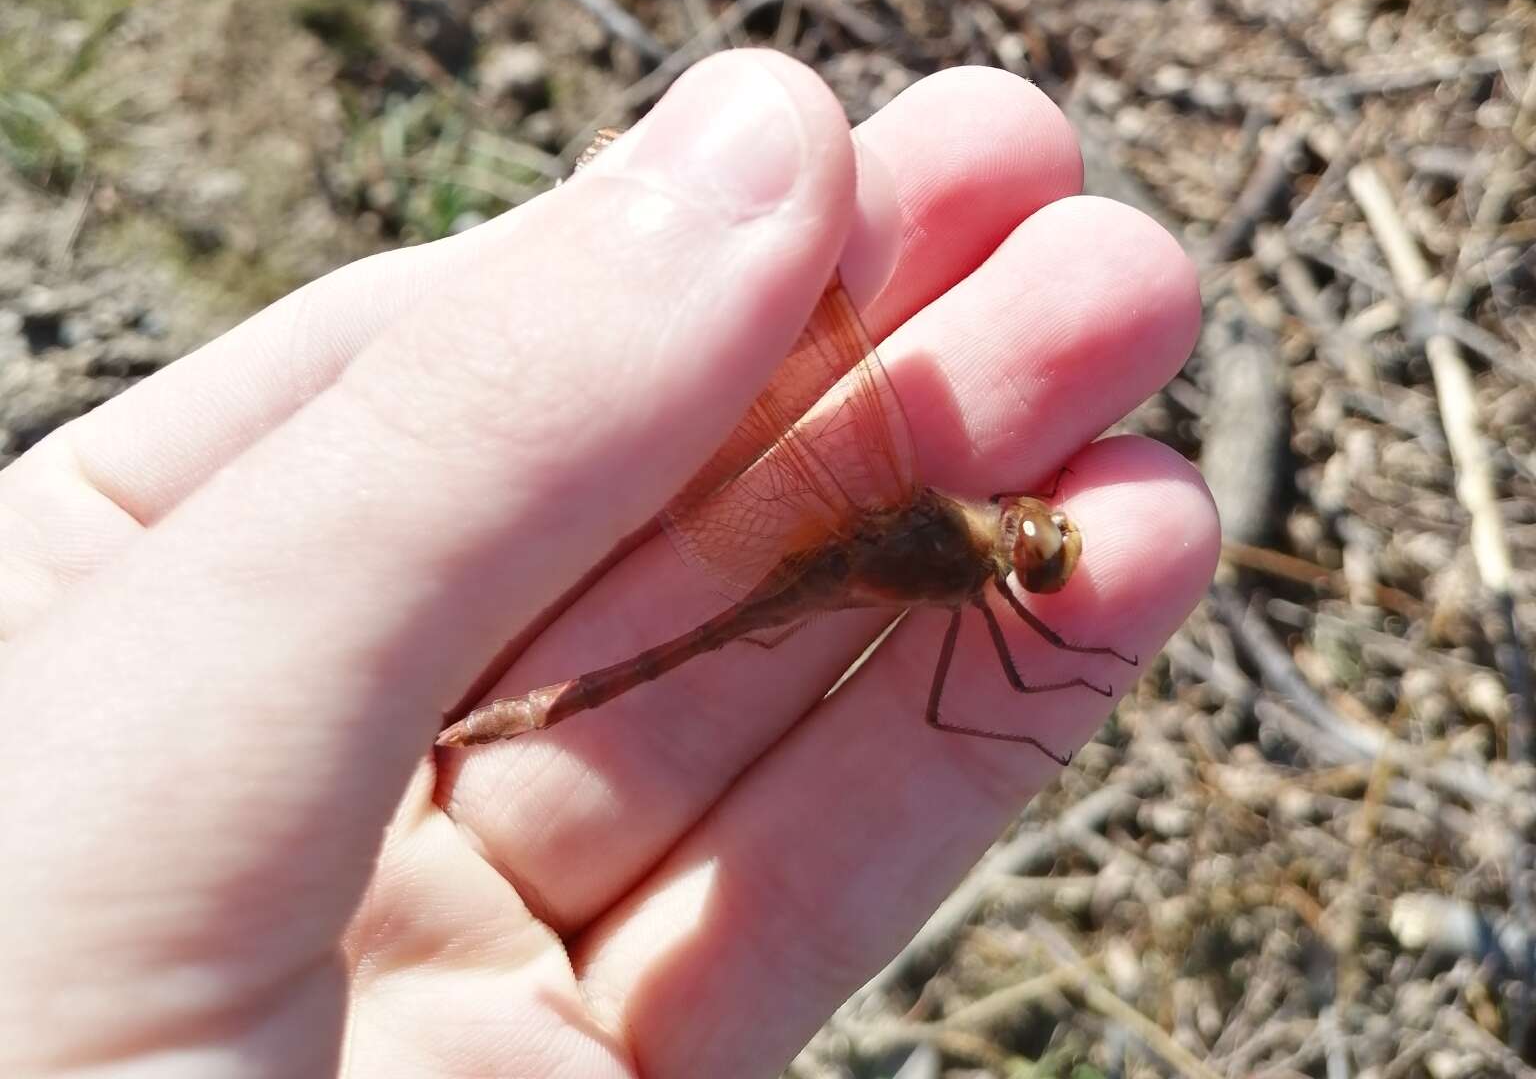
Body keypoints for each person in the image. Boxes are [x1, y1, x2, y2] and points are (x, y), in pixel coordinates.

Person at [0, 53, 1216, 1077]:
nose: (1033, 534)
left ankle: (487, 715)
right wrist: (1072, 673)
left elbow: (973, 680)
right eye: (1037, 531)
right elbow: (969, 692)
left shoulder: (934, 515)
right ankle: (488, 717)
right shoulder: (968, 569)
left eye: (1036, 543)